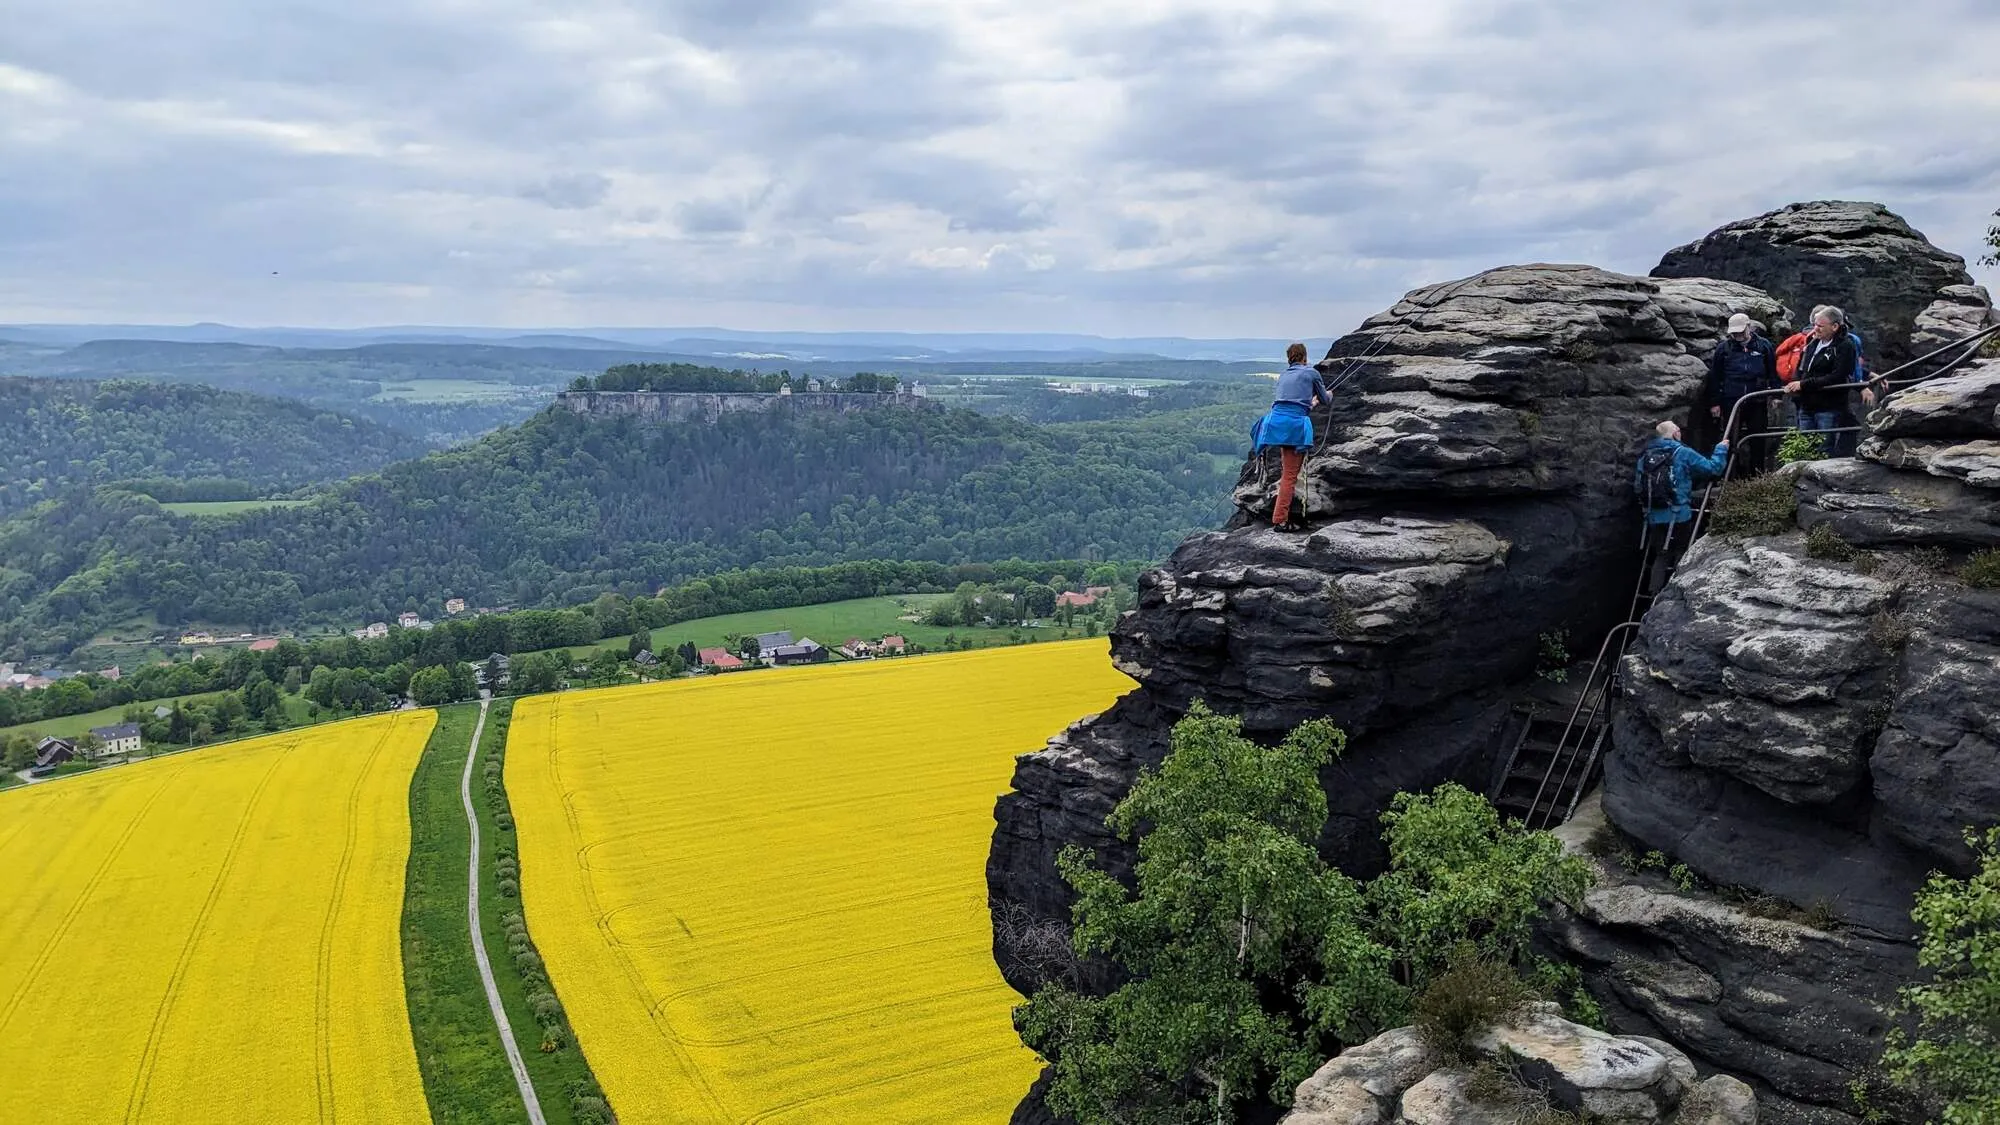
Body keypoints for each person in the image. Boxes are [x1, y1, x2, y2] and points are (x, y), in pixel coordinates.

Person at [1634, 420, 1729, 595]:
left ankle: (1654, 593)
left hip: (1653, 515)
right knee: (1682, 551)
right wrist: (1721, 449)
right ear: (1675, 433)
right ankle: (1676, 593)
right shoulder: (1682, 452)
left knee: (1661, 554)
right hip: (1679, 515)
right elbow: (1713, 468)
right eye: (1678, 429)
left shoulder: (1645, 454)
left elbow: (1638, 486)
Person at [1252, 343, 1328, 532]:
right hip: (1294, 427)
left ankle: (1288, 514)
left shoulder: (1284, 375)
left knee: (1288, 472)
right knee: (1289, 476)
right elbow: (1325, 400)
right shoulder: (1312, 373)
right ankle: (1280, 520)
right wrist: (1327, 396)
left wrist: (1310, 404)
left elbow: (1289, 402)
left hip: (1275, 425)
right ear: (1304, 357)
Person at [1705, 312, 1777, 475]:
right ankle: (1731, 476)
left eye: (1740, 331)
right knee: (1730, 439)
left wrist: (1776, 395)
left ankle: (1757, 476)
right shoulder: (1724, 348)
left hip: (1756, 400)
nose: (1737, 335)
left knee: (1757, 439)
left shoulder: (1763, 345)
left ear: (1749, 327)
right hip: (1731, 400)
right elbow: (1715, 376)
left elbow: (1772, 371)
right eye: (1734, 332)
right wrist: (1714, 402)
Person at [1785, 306, 1859, 456]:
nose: (1815, 329)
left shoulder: (1845, 346)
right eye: (1814, 325)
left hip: (1828, 406)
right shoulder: (1812, 343)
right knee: (1804, 447)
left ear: (1835, 326)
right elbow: (1802, 368)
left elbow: (1838, 375)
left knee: (1824, 447)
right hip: (1806, 404)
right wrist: (1795, 384)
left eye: (1820, 326)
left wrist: (1803, 384)